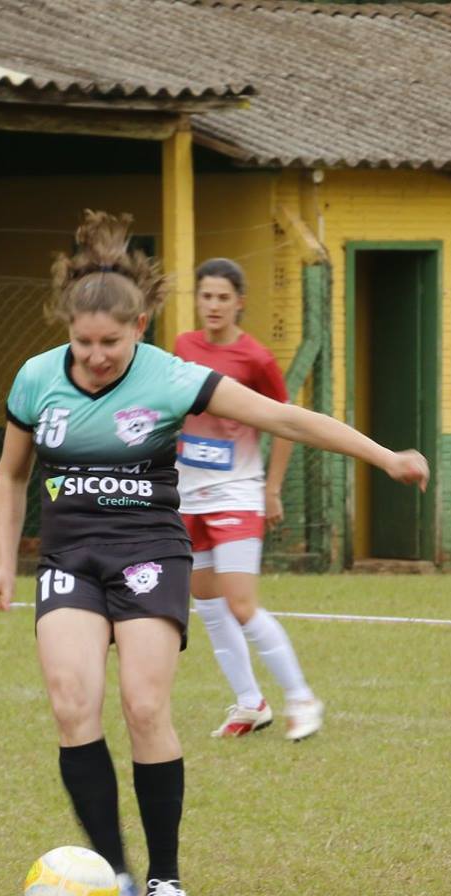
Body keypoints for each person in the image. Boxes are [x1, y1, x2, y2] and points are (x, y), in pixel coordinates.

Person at [0, 212, 427, 896]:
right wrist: (3, 564)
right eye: (82, 341)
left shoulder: (175, 377)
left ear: (143, 325)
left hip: (150, 552)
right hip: (69, 557)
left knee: (145, 707)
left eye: (111, 343)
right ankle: (116, 876)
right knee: (71, 704)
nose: (94, 356)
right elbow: (9, 476)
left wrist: (385, 456)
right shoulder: (36, 380)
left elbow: (287, 419)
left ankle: (165, 879)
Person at [174, 258, 324, 740]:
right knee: (208, 604)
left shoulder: (256, 358)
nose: (213, 305)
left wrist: (271, 488)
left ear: (240, 302)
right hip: (188, 496)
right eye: (206, 296)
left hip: (237, 495)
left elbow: (285, 421)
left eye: (223, 297)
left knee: (241, 604)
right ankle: (249, 702)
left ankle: (301, 698)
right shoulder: (182, 347)